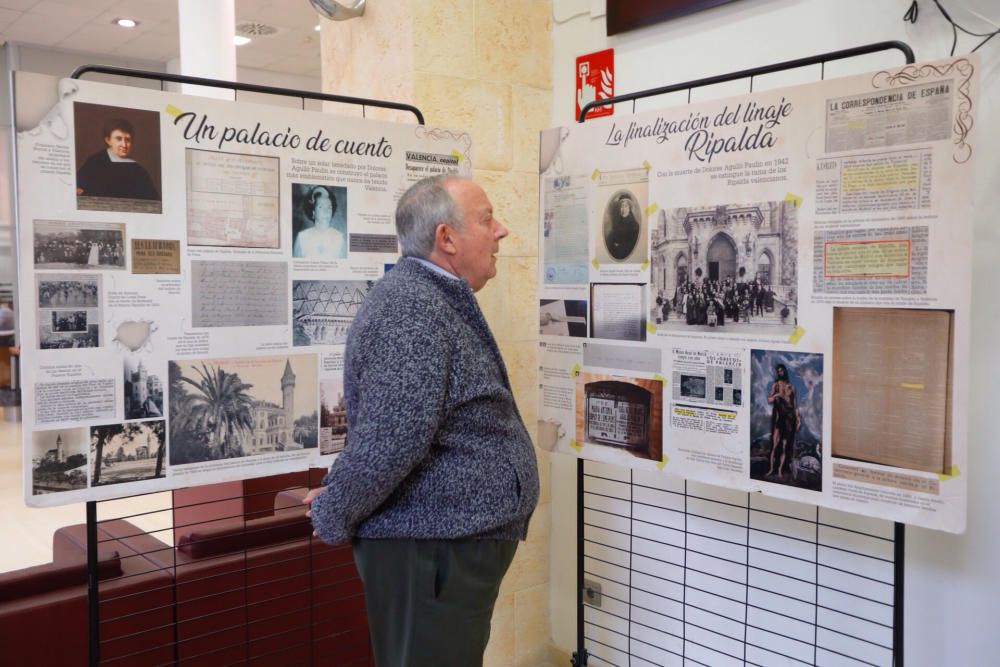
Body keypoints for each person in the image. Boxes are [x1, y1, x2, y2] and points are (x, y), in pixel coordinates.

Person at [304, 175, 539, 667]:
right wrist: (334, 511)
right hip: (432, 555)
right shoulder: (411, 307)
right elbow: (391, 439)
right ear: (446, 238)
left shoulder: (430, 298)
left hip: (444, 550)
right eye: (486, 218)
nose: (502, 231)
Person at [76, 118, 159, 200]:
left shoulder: (138, 170)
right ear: (108, 140)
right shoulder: (93, 163)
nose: (124, 145)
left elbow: (153, 199)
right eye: (119, 139)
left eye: (127, 140)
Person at [766, 363, 800, 478]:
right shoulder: (776, 384)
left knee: (785, 446)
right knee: (775, 445)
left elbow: (795, 405)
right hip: (779, 416)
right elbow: (769, 399)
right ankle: (771, 469)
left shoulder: (791, 387)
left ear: (785, 371)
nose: (780, 373)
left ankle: (780, 470)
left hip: (790, 417)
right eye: (778, 371)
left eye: (782, 370)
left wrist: (798, 419)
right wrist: (777, 394)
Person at [293, 185, 347, 258]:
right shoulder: (302, 237)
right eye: (321, 207)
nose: (326, 211)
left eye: (329, 207)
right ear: (313, 212)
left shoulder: (339, 238)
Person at [604, 193, 640, 260]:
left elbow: (632, 245)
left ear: (629, 209)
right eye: (621, 206)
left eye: (625, 206)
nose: (623, 209)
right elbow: (611, 238)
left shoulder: (634, 225)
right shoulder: (618, 222)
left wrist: (619, 246)